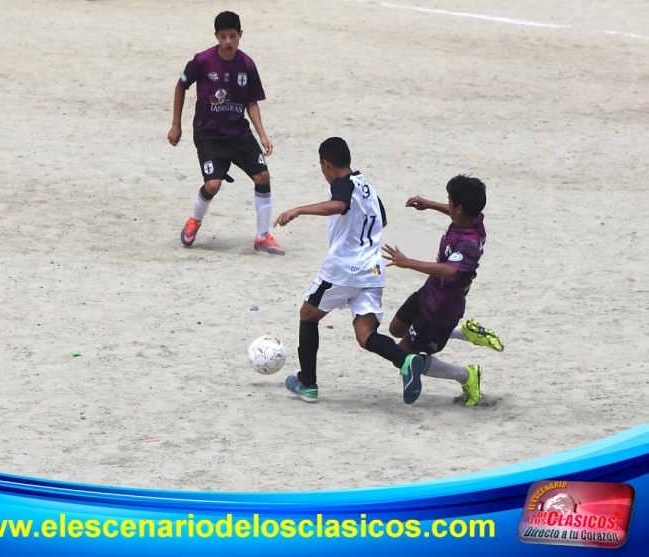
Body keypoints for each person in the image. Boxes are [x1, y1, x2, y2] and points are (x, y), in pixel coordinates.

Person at [273, 137, 422, 404]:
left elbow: (339, 205)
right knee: (366, 335)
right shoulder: (367, 186)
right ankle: (406, 361)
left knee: (308, 316)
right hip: (372, 270)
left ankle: (307, 383)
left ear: (326, 164)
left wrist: (298, 210)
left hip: (344, 270)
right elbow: (382, 218)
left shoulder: (341, 186)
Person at [167, 11, 284, 255]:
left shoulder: (247, 65)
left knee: (262, 176)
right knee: (213, 184)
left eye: (233, 36)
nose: (228, 41)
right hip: (208, 134)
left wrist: (262, 134)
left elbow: (252, 102)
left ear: (240, 35)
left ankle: (262, 237)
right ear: (216, 37)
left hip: (238, 134)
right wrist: (176, 124)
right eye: (223, 36)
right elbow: (181, 86)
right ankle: (194, 221)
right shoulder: (202, 60)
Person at [381, 175, 504, 407]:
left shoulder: (468, 244)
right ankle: (464, 332)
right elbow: (455, 212)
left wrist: (408, 262)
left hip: (441, 311)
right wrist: (429, 204)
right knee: (396, 328)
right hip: (428, 293)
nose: (446, 204)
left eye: (449, 201)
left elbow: (449, 270)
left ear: (459, 208)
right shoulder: (471, 218)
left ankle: (467, 375)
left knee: (403, 357)